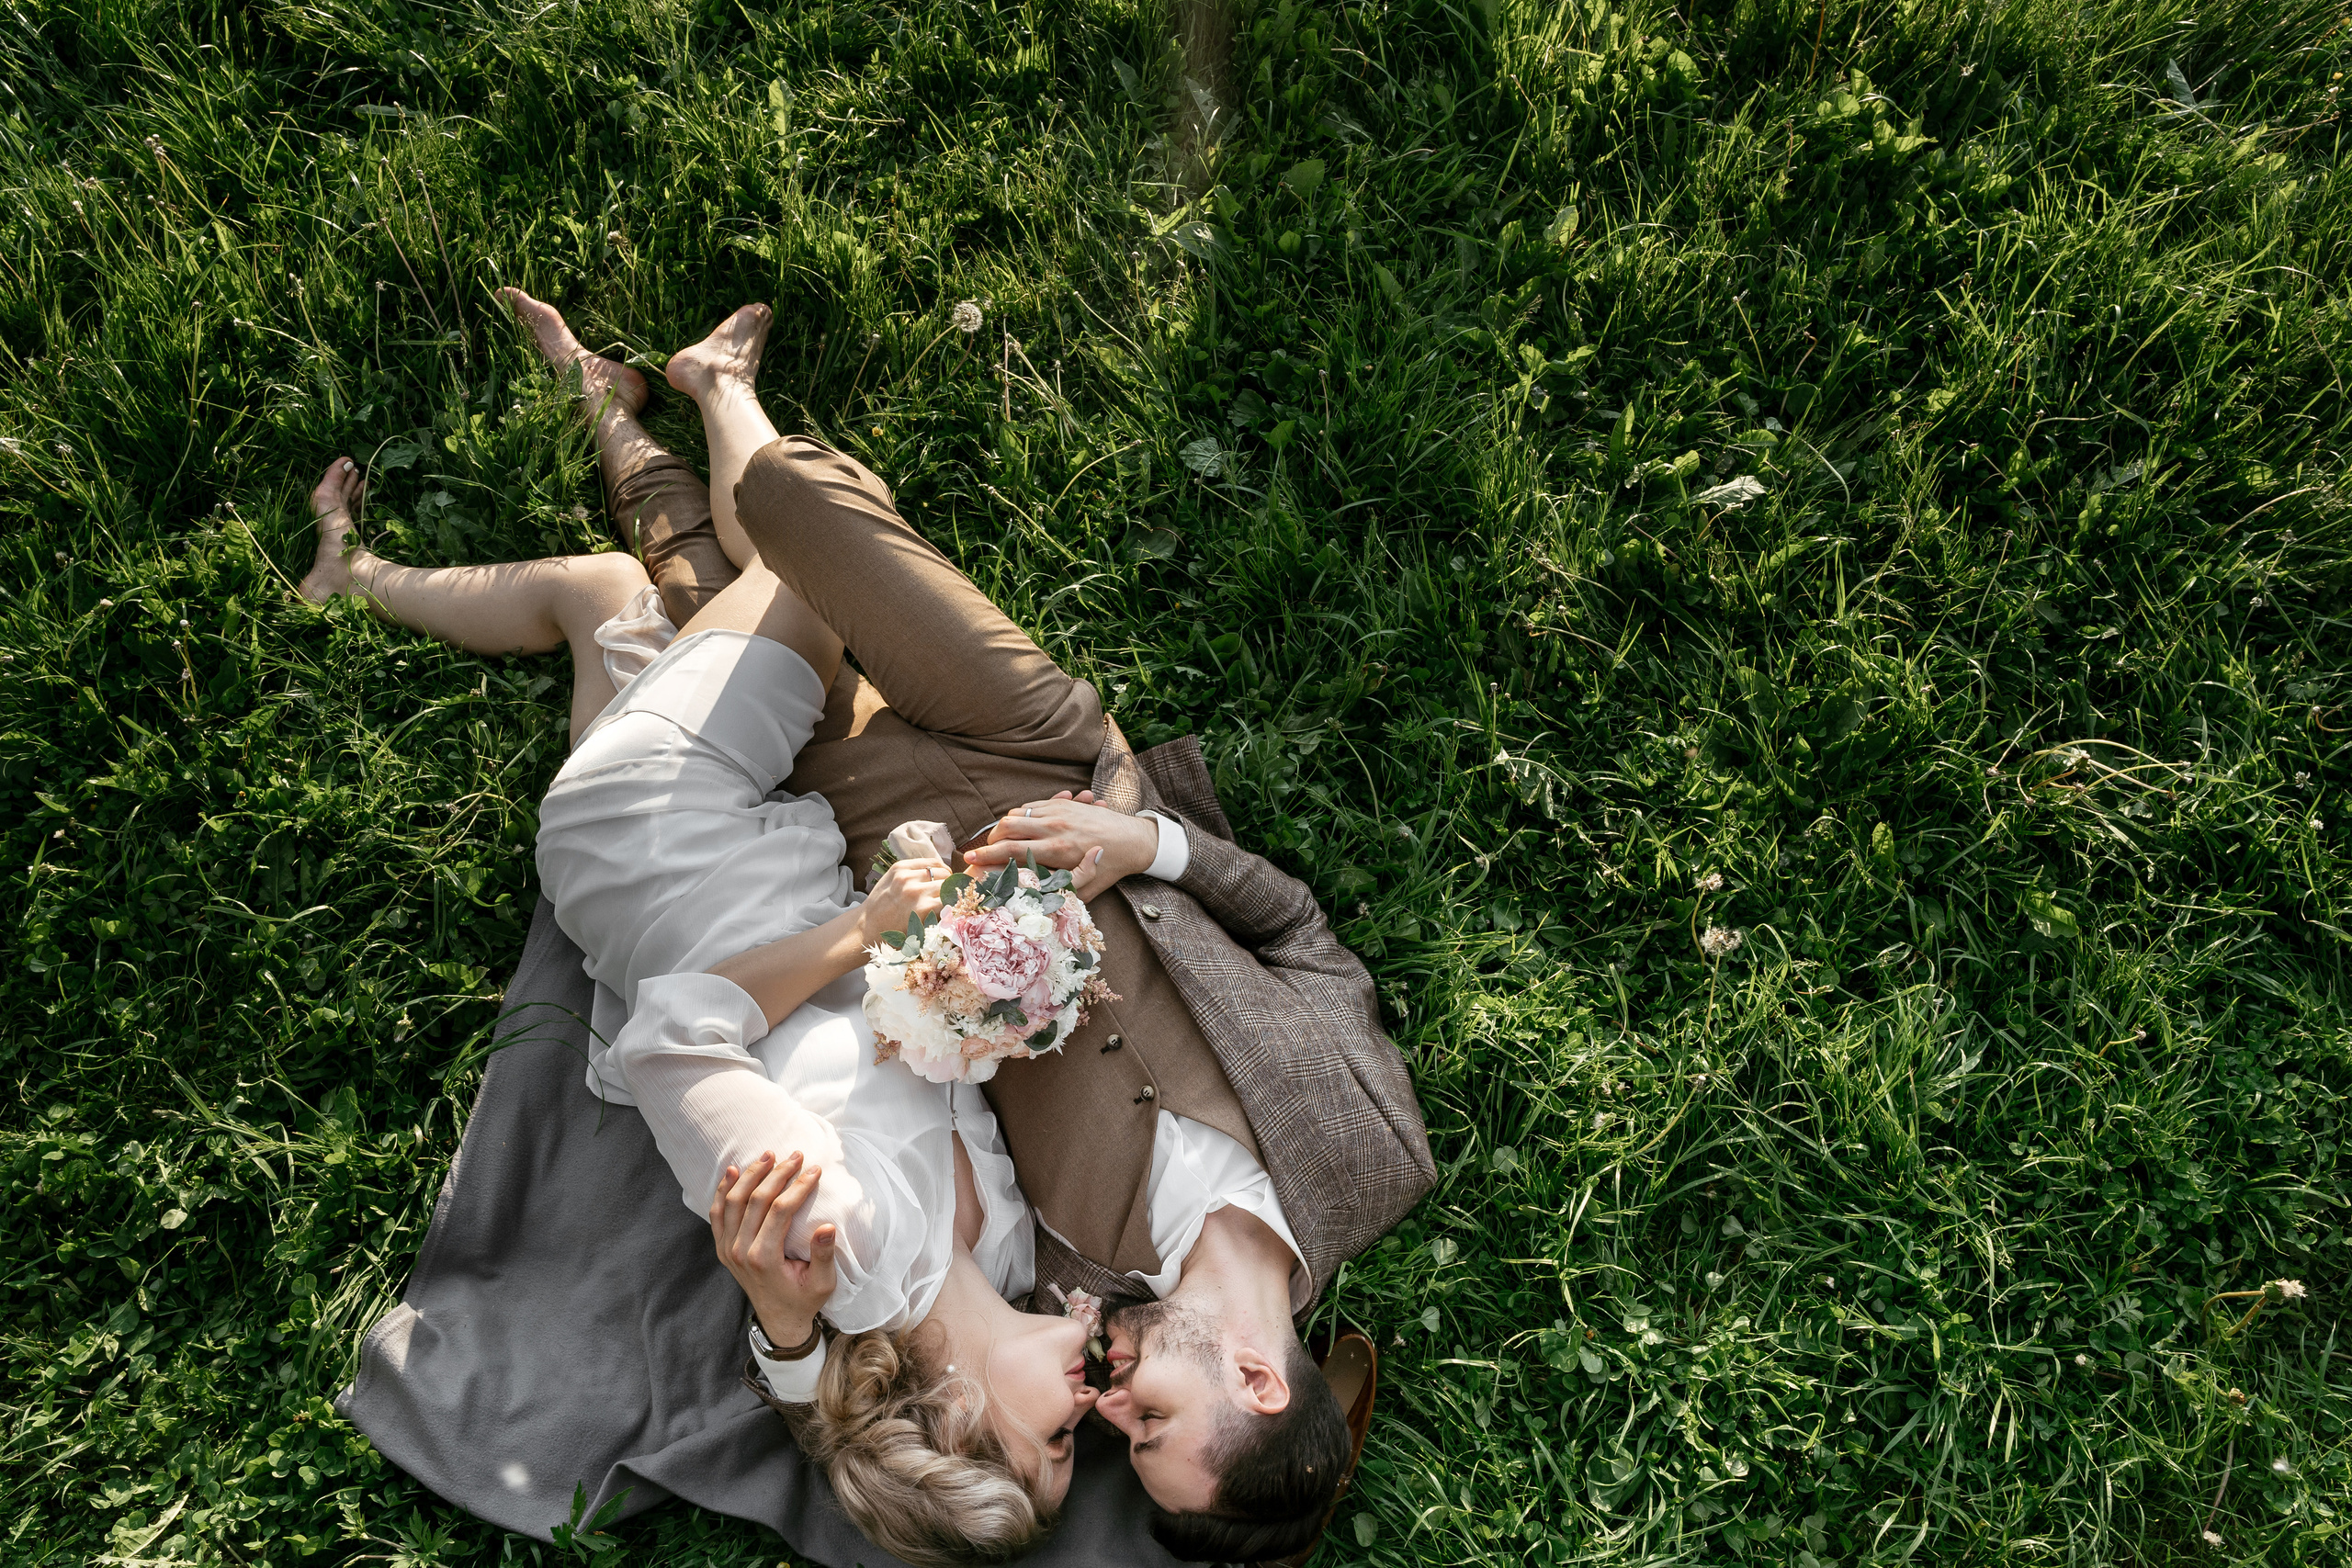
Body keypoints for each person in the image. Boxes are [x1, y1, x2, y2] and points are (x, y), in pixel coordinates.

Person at [311, 287, 1437, 1563]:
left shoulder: (1062, 1287)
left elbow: (883, 1393)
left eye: (1101, 1436)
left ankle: (633, 408)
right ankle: (713, 397)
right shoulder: (1371, 1158)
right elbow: (1300, 938)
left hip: (846, 829)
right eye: (1149, 1420)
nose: (1111, 1407)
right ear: (1261, 1377)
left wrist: (784, 1335)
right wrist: (1147, 841)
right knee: (796, 521)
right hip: (1043, 758)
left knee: (683, 596)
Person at [297, 308, 1098, 1566]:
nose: (1088, 1422)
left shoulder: (824, 1242)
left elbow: (676, 1038)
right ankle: (362, 571)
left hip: (661, 848)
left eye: (1056, 1447)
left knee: (819, 556)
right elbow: (918, 1052)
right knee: (601, 595)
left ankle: (710, 384)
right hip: (725, 864)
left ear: (961, 1416)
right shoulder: (995, 1248)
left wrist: (865, 928)